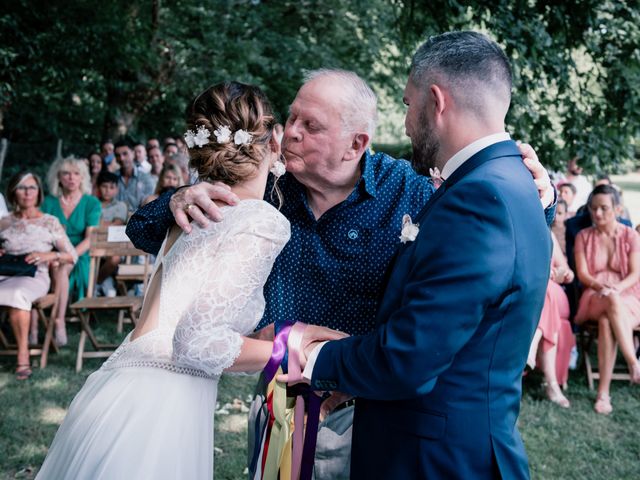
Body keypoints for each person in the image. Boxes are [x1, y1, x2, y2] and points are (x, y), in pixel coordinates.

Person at [126, 69, 555, 478]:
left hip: (359, 407)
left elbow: (485, 240)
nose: (289, 132)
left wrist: (544, 199)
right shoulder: (264, 192)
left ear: (356, 144)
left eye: (310, 126)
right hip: (275, 397)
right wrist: (178, 199)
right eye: (291, 117)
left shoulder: (409, 190)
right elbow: (144, 234)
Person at [285, 31, 551, 479]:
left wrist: (307, 357)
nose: (407, 123)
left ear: (436, 102)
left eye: (409, 105)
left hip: (435, 459)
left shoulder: (478, 197)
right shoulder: (517, 182)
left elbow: (409, 357)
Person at [35, 82, 305, 479]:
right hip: (161, 409)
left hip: (115, 390)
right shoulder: (260, 219)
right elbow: (198, 342)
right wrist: (293, 353)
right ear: (272, 142)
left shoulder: (187, 213)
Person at [0, 172, 77, 380]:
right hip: (5, 271)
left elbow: (72, 255)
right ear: (13, 192)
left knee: (17, 294)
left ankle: (23, 355)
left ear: (38, 192)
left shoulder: (49, 222)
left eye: (32, 187)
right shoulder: (4, 222)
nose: (27, 193)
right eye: (22, 188)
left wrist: (49, 254)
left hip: (35, 276)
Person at [573, 184, 640, 414]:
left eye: (603, 208)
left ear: (618, 209)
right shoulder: (583, 236)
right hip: (594, 294)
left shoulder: (631, 235)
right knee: (610, 302)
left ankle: (603, 393)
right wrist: (604, 287)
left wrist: (617, 288)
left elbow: (635, 274)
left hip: (628, 296)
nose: (597, 214)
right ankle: (634, 362)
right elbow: (583, 274)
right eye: (593, 209)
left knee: (606, 322)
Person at [41, 157, 101, 346]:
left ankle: (58, 321)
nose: (71, 178)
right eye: (66, 173)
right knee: (56, 264)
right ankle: (51, 321)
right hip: (52, 251)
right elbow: (43, 234)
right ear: (58, 177)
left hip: (80, 252)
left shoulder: (91, 202)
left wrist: (70, 255)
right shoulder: (49, 202)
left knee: (61, 267)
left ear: (83, 178)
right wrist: (55, 254)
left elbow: (90, 239)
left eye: (76, 174)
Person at [526, 232, 574, 407]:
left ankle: (531, 347)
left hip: (555, 293)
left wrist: (564, 274)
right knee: (544, 291)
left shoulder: (548, 234)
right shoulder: (521, 229)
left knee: (547, 292)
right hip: (536, 293)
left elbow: (568, 271)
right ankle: (552, 384)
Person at [113, 139, 156, 213]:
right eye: (118, 155)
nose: (121, 158)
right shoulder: (112, 178)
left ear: (133, 153)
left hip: (139, 220)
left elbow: (150, 205)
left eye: (125, 154)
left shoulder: (146, 178)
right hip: (115, 220)